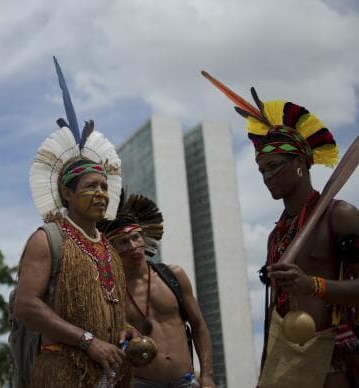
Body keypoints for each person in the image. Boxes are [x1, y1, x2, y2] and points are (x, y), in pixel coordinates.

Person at [203, 71, 359, 387]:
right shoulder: (277, 235)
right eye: (262, 170)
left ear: (300, 162)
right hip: (286, 357)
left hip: (334, 360)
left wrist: (312, 285)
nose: (266, 176)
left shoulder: (339, 215)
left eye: (274, 166)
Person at [13, 58, 137, 387]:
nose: (101, 194)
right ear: (67, 193)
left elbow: (110, 307)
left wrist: (124, 330)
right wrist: (88, 341)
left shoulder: (108, 249)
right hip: (62, 373)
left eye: (104, 187)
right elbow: (25, 306)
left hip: (108, 376)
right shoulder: (47, 239)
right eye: (90, 187)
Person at [98, 192, 216, 388]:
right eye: (123, 241)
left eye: (135, 237)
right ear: (112, 249)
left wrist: (207, 375)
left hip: (186, 381)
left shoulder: (173, 275)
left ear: (143, 238)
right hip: (141, 383)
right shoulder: (112, 292)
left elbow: (198, 325)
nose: (133, 246)